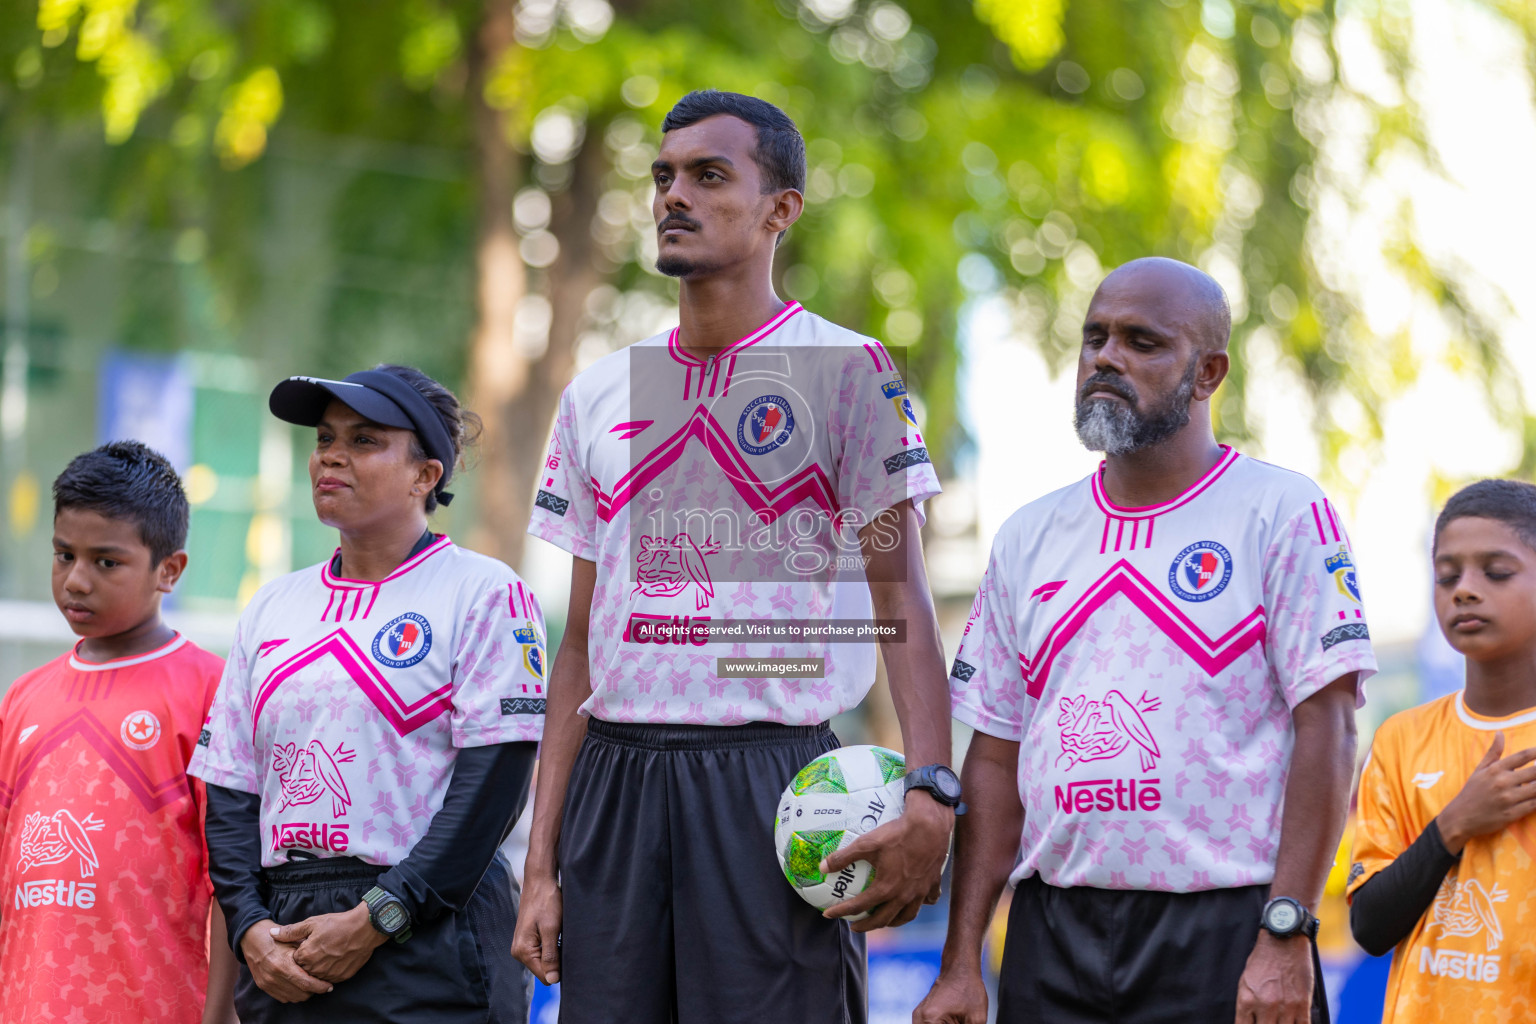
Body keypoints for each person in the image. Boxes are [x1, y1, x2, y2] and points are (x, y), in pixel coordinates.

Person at [513, 89, 959, 1023]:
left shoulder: (848, 372)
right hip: (617, 787)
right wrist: (540, 864)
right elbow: (581, 649)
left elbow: (902, 601)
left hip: (772, 787)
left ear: (779, 209)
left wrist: (931, 792)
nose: (675, 195)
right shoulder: (601, 392)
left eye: (710, 176)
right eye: (664, 176)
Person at [916, 257, 1377, 1024]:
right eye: (1095, 337)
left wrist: (1287, 931)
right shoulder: (1028, 535)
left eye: (1142, 341)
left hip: (1227, 934)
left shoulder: (1284, 513)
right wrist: (961, 960)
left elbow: (1327, 732)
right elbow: (994, 759)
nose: (1106, 356)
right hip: (1050, 934)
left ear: (1208, 373)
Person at [189, 364, 545, 1022]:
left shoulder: (485, 593)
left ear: (425, 474)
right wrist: (248, 927)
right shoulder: (272, 606)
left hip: (429, 931)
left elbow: (494, 783)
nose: (330, 456)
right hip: (284, 943)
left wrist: (381, 915)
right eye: (325, 438)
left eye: (363, 441)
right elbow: (232, 789)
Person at [0, 441, 237, 1023]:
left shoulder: (212, 692)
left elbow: (235, 877)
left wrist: (220, 1016)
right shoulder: (23, 697)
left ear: (169, 571)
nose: (76, 581)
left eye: (106, 562)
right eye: (64, 556)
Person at [1348, 479, 1536, 1021]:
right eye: (1447, 576)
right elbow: (1370, 928)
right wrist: (1456, 822)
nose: (1465, 590)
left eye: (1496, 572)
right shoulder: (1400, 739)